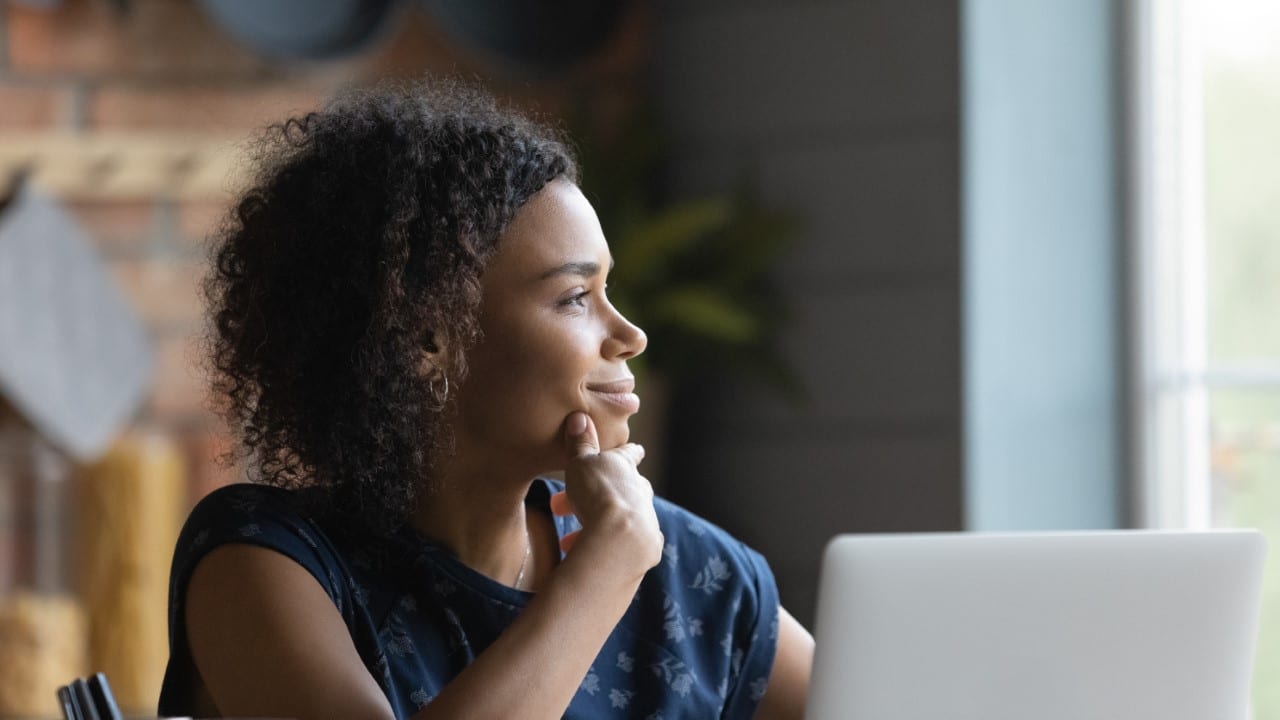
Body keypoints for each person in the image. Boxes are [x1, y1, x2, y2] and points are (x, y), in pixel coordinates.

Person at [157, 80, 813, 720]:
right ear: (426, 339)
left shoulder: (687, 570)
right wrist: (603, 573)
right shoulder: (262, 562)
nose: (630, 335)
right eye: (576, 298)